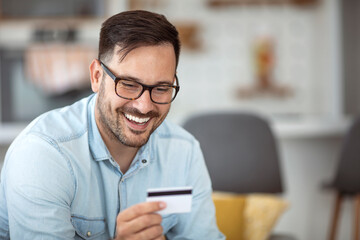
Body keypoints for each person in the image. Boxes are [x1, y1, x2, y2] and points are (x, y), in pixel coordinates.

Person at [0, 10, 224, 239]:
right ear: (97, 76)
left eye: (161, 88)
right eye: (128, 84)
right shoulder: (43, 154)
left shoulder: (184, 152)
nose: (145, 106)